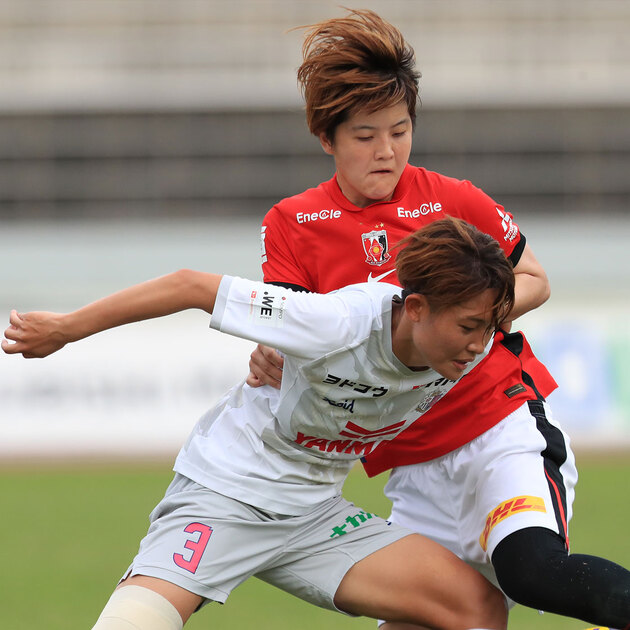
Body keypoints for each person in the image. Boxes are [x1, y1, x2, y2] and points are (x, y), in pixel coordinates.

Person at [247, 8, 630, 630]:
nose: (387, 151)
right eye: (365, 136)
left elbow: (535, 279)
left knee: (533, 571)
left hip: (499, 428)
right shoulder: (292, 223)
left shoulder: (452, 199)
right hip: (411, 465)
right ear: (326, 138)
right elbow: (289, 326)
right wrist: (273, 352)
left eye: (400, 131)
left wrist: (462, 319)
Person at [2, 218, 511, 630]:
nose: (478, 343)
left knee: (475, 609)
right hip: (227, 493)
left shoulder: (465, 346)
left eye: (487, 327)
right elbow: (188, 285)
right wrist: (65, 328)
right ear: (415, 307)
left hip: (317, 515)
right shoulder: (333, 322)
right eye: (469, 326)